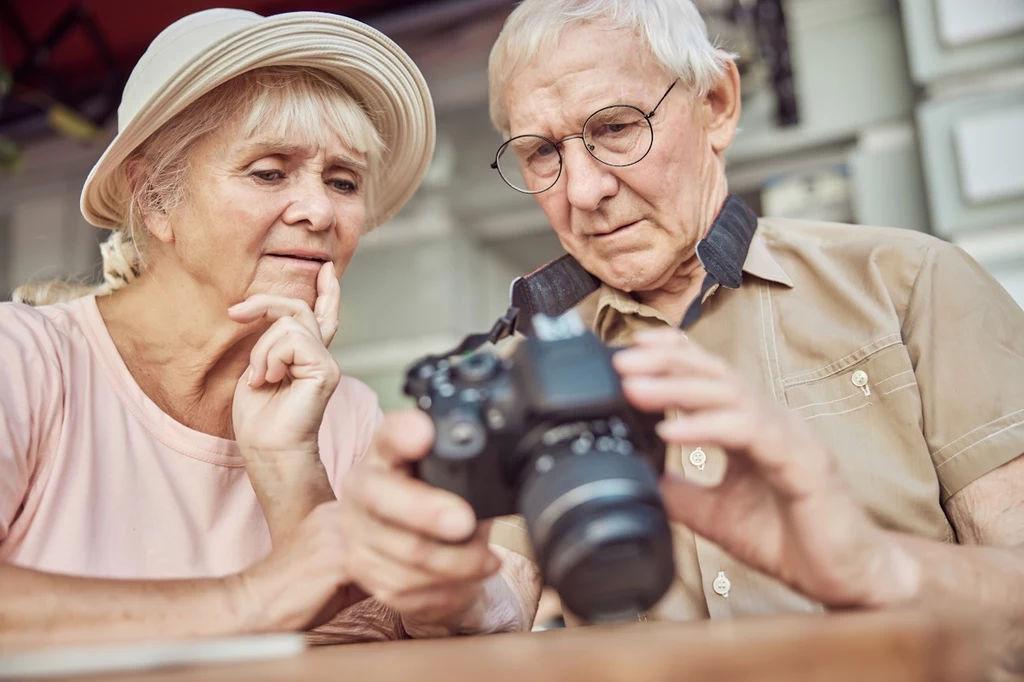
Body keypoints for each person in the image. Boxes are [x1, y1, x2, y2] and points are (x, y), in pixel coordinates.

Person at [440, 0, 1023, 675]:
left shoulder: (915, 283)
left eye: (617, 127)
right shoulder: (521, 373)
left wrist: (874, 565)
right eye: (542, 152)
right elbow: (494, 607)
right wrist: (435, 583)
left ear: (717, 103)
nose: (584, 191)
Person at [0, 8, 536, 647]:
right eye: (269, 171)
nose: (318, 211)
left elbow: (378, 652)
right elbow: (281, 598)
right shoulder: (25, 363)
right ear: (156, 200)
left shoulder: (347, 416)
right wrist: (251, 597)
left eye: (343, 181)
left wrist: (291, 466)